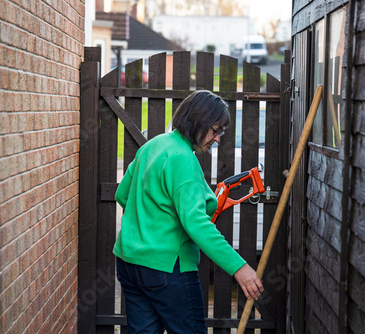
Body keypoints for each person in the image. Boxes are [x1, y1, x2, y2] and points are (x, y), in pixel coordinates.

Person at [113, 90, 264, 333]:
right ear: (197, 121)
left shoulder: (153, 145)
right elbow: (196, 224)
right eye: (215, 130)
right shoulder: (183, 159)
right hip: (167, 270)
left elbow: (122, 194)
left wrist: (149, 224)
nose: (217, 139)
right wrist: (240, 268)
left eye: (220, 132)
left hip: (129, 263)